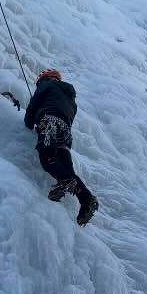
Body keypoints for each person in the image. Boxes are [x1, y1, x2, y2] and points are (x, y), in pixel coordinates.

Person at [24, 68, 99, 226]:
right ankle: (86, 200)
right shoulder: (70, 97)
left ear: (45, 78)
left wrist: (29, 122)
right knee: (65, 168)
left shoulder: (46, 85)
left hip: (50, 122)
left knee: (47, 156)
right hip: (65, 132)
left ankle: (64, 182)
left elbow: (33, 105)